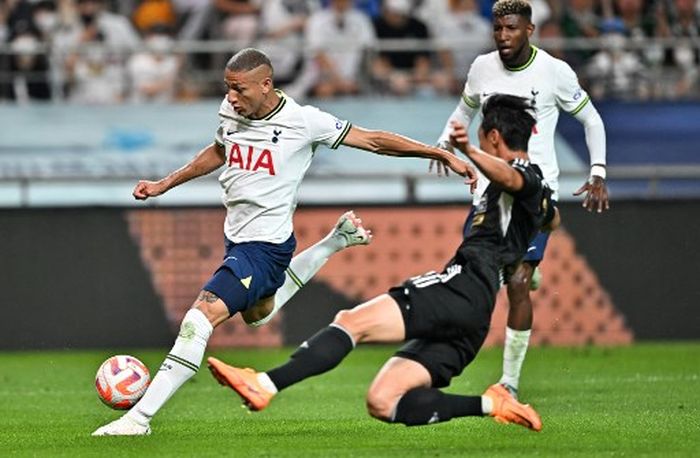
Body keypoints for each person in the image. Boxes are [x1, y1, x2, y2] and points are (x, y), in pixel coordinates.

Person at [92, 47, 473, 436]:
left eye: (239, 89)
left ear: (266, 85)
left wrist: (437, 151)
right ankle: (332, 243)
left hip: (263, 249)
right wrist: (164, 184)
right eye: (227, 89)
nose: (231, 97)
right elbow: (219, 150)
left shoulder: (304, 122)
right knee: (258, 316)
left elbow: (373, 140)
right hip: (240, 240)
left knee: (198, 320)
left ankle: (138, 419)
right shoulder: (232, 111)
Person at [207, 94, 559, 432]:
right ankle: (493, 404)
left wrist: (467, 149)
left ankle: (265, 384)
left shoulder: (523, 174)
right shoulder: (539, 192)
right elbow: (551, 219)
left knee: (351, 322)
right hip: (476, 313)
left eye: (482, 135)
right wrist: (522, 248)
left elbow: (512, 178)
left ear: (492, 136)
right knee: (383, 401)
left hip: (461, 286)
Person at [431, 0, 609, 399]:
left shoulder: (555, 72)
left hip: (533, 189)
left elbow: (591, 118)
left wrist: (597, 171)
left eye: (511, 28)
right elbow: (464, 110)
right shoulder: (481, 68)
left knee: (517, 282)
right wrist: (444, 144)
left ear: (529, 29)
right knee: (476, 282)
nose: (503, 36)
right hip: (488, 190)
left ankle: (509, 381)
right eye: (497, 29)